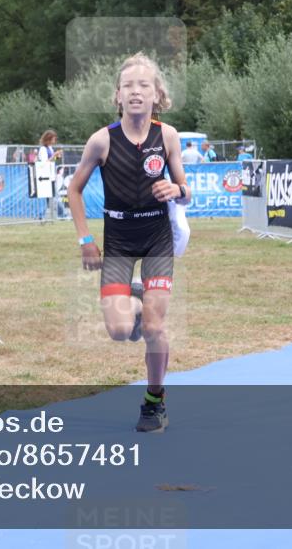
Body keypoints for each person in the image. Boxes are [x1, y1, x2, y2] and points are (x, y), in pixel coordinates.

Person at [67, 53, 191, 434]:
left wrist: (177, 188)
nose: (136, 92)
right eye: (128, 86)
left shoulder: (167, 136)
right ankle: (136, 298)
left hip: (157, 239)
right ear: (117, 96)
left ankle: (154, 403)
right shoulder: (102, 140)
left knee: (153, 327)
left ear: (158, 95)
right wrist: (86, 239)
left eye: (144, 86)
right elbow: (74, 189)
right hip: (118, 240)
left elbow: (186, 194)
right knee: (121, 331)